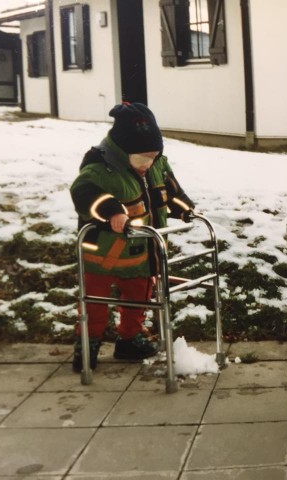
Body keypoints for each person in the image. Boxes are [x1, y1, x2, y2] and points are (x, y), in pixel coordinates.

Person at [70, 102, 195, 372]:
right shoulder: (100, 167)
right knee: (95, 301)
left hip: (140, 252)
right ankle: (88, 345)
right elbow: (84, 193)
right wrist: (112, 211)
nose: (146, 164)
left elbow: (171, 192)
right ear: (122, 150)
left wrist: (186, 210)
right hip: (101, 254)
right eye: (141, 158)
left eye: (153, 156)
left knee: (138, 297)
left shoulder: (156, 165)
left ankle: (129, 339)